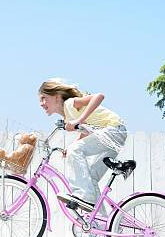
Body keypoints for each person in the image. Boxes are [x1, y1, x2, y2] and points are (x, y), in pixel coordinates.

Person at [38, 77, 127, 214]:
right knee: (91, 177)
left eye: (44, 98)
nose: (41, 103)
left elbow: (99, 96)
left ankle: (84, 196)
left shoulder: (70, 103)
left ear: (56, 97)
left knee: (76, 151)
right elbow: (88, 132)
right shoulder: (68, 116)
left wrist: (79, 120)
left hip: (114, 130)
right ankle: (102, 221)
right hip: (113, 136)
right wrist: (73, 145)